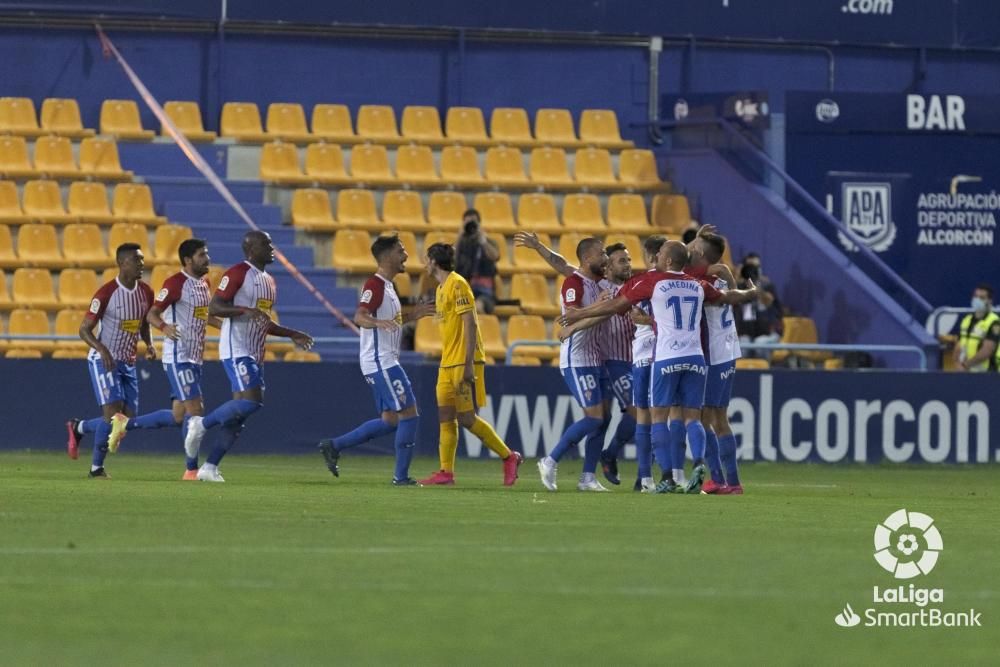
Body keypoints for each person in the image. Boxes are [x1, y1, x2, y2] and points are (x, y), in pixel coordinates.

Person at [560, 241, 759, 494]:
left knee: (657, 418)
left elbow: (616, 305)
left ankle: (664, 476)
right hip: (696, 358)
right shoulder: (697, 284)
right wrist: (750, 293)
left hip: (665, 358)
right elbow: (728, 296)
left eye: (661, 254)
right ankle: (698, 463)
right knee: (693, 419)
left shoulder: (653, 281)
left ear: (666, 261)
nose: (655, 257)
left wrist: (579, 314)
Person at [514, 231, 641, 491]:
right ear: (587, 258)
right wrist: (591, 312)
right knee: (594, 418)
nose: (606, 259)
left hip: (596, 359)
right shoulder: (574, 283)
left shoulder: (600, 284)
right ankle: (549, 460)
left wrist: (540, 247)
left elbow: (561, 263)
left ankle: (587, 477)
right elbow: (572, 316)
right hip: (578, 358)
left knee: (603, 419)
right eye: (602, 254)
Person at [183, 231, 314, 482]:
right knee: (253, 402)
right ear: (252, 249)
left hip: (255, 351)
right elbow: (215, 307)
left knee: (239, 415)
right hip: (236, 348)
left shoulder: (269, 281)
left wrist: (291, 333)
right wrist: (245, 309)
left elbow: (262, 320)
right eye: (267, 244)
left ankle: (209, 467)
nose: (272, 247)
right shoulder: (237, 273)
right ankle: (201, 424)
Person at [317, 234, 435, 485]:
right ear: (388, 255)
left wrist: (413, 314)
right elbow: (360, 316)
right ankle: (400, 478)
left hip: (381, 361)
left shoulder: (389, 287)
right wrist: (376, 322)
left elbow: (391, 321)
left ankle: (334, 446)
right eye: (401, 251)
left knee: (390, 420)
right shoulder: (375, 285)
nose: (405, 255)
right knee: (410, 415)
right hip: (382, 362)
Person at [419, 242, 523, 486]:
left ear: (434, 261)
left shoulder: (458, 283)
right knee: (445, 415)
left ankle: (509, 456)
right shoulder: (440, 288)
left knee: (466, 418)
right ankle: (446, 471)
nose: (424, 263)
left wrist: (467, 364)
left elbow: (471, 323)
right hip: (447, 362)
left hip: (464, 361)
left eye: (426, 259)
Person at [130, 238, 223, 480]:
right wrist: (164, 327)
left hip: (195, 357)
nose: (207, 258)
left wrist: (227, 327)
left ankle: (124, 425)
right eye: (202, 254)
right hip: (177, 356)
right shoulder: (174, 283)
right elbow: (151, 313)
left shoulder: (204, 282)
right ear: (188, 260)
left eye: (207, 253)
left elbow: (203, 315)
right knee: (197, 410)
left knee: (178, 416)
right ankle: (191, 470)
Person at [65, 243, 155, 478]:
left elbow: (144, 323)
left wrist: (150, 344)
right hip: (104, 360)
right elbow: (84, 330)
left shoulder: (146, 292)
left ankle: (79, 427)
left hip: (128, 362)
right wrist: (102, 349)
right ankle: (97, 468)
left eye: (142, 259)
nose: (142, 264)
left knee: (126, 420)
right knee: (113, 416)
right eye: (137, 260)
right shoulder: (106, 293)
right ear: (122, 263)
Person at [688, 229, 745, 494]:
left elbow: (676, 262)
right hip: (729, 350)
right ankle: (731, 481)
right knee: (719, 418)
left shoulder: (699, 281)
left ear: (699, 253)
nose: (690, 248)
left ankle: (717, 479)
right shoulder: (720, 277)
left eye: (694, 245)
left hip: (712, 354)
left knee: (702, 417)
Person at [734, 252, 783, 353]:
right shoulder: (740, 288)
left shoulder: (768, 286)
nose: (753, 270)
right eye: (750, 267)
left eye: (757, 266)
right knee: (743, 345)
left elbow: (772, 306)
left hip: (768, 333)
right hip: (747, 333)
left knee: (760, 343)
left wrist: (758, 288)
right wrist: (737, 278)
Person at [454, 208, 500, 314]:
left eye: (473, 223)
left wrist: (483, 241)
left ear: (479, 224)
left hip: (484, 294)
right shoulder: (461, 244)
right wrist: (459, 237)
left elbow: (495, 256)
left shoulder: (488, 242)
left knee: (477, 307)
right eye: (467, 223)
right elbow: (450, 263)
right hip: (464, 292)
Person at [955, 283, 999, 372]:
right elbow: (958, 346)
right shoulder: (966, 320)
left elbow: (987, 350)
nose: (977, 300)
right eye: (975, 296)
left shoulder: (994, 322)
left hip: (988, 373)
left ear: (989, 301)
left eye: (982, 298)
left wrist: (966, 365)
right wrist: (957, 363)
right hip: (966, 372)